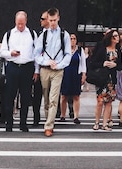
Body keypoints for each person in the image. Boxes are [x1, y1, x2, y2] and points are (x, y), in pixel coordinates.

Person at [34, 7, 71, 137]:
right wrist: (46, 62)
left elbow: (68, 54)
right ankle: (48, 121)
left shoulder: (64, 35)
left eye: (54, 20)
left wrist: (59, 65)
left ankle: (49, 125)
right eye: (50, 20)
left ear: (58, 18)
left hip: (58, 70)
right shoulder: (43, 34)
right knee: (46, 99)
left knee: (54, 98)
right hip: (45, 69)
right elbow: (36, 54)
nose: (53, 23)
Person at [0, 11, 37, 132]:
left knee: (25, 97)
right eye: (18, 23)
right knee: (10, 97)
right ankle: (9, 123)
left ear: (26, 21)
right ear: (15, 21)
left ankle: (23, 123)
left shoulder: (32, 33)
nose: (20, 26)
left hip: (27, 67)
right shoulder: (9, 34)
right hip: (13, 67)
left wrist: (36, 71)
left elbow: (36, 53)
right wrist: (11, 53)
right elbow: (2, 52)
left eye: (22, 23)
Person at [90, 28, 122, 131]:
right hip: (101, 78)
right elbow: (92, 62)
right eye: (115, 36)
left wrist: (115, 65)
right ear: (111, 38)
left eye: (118, 36)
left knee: (109, 102)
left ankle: (105, 124)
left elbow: (121, 66)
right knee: (100, 101)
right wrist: (103, 63)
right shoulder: (102, 48)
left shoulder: (118, 50)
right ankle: (96, 122)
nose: (117, 38)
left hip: (111, 79)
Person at [59, 33, 86, 125]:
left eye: (74, 38)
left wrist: (83, 75)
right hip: (65, 73)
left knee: (76, 96)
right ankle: (62, 115)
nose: (72, 40)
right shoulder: (64, 50)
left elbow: (83, 64)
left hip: (75, 74)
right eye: (70, 38)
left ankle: (76, 116)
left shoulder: (80, 50)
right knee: (64, 96)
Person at [31, 11, 49, 126]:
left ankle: (49, 118)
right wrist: (36, 70)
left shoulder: (57, 34)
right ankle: (36, 117)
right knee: (37, 95)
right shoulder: (38, 34)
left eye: (43, 19)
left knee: (50, 96)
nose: (41, 21)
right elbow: (36, 53)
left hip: (51, 67)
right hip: (41, 67)